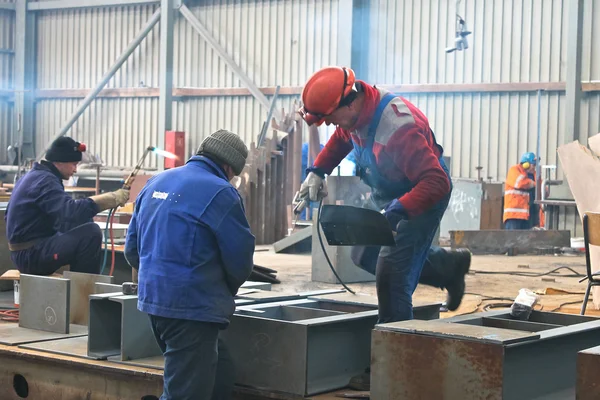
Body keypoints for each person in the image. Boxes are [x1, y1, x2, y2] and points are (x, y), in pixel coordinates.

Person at [297, 66, 471, 325]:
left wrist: (397, 212)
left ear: (349, 105)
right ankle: (447, 268)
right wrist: (317, 171)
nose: (331, 124)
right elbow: (342, 138)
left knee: (391, 278)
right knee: (363, 255)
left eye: (331, 118)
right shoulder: (354, 113)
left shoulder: (398, 128)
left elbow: (437, 183)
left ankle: (396, 350)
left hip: (424, 192)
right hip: (392, 191)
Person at [124, 129, 255, 400]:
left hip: (154, 302)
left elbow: (131, 250)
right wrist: (223, 290)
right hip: (191, 309)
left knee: (221, 372)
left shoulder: (155, 182)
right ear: (229, 166)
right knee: (185, 393)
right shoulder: (222, 193)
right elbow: (240, 260)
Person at [5, 136, 130, 276]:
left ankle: (78, 284)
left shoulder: (36, 175)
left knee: (85, 223)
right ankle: (84, 292)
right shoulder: (45, 181)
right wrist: (109, 199)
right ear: (60, 162)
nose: (76, 170)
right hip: (30, 255)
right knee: (91, 234)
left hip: (27, 250)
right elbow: (70, 211)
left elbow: (63, 217)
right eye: (74, 164)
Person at [504, 152, 537, 230]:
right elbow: (521, 183)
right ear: (526, 164)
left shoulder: (534, 175)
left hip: (527, 216)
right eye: (533, 165)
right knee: (513, 240)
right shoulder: (514, 170)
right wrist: (534, 184)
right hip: (513, 216)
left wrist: (544, 188)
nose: (534, 167)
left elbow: (540, 186)